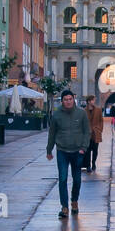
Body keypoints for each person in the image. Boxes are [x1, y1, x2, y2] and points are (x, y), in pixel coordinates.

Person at [46, 90, 91, 218]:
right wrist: (49, 150)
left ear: (74, 99)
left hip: (77, 151)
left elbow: (87, 132)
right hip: (62, 151)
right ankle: (64, 207)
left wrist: (84, 147)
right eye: (65, 99)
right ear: (62, 101)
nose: (68, 101)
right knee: (63, 179)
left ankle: (74, 201)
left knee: (77, 179)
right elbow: (52, 133)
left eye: (70, 99)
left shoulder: (81, 113)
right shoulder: (57, 115)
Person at [84, 94, 104, 172]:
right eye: (92, 100)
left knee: (95, 150)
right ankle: (88, 165)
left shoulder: (98, 110)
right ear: (88, 101)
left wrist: (100, 129)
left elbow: (101, 120)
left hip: (96, 133)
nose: (93, 101)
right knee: (87, 151)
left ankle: (94, 163)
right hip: (87, 134)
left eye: (94, 100)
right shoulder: (84, 110)